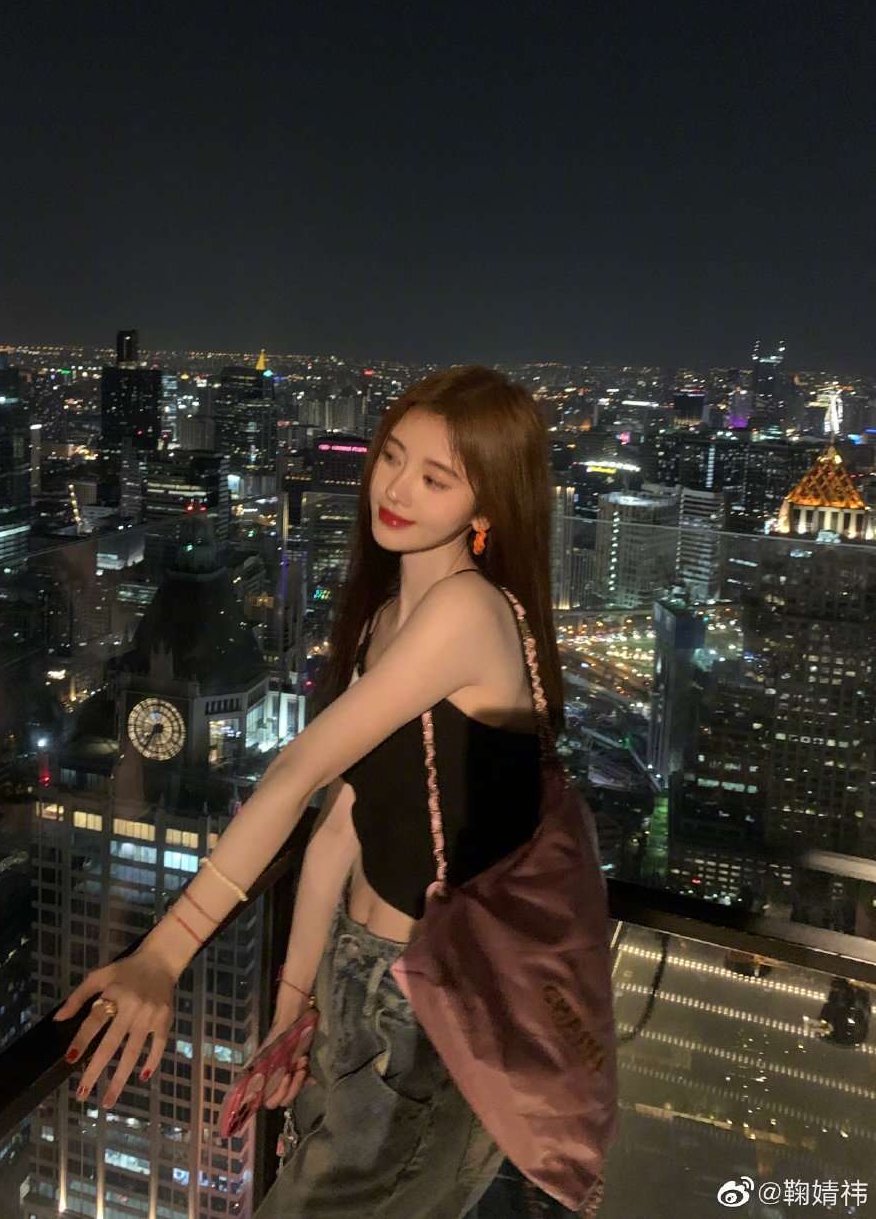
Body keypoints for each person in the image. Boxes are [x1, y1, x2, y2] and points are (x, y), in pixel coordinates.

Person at [54, 364, 576, 1217]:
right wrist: (296, 1007)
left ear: (486, 507)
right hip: (361, 978)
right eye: (392, 457)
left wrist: (164, 953)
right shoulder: (390, 619)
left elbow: (296, 772)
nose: (396, 489)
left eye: (435, 478)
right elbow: (343, 823)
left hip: (430, 1008)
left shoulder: (466, 613)